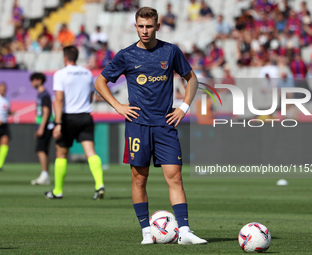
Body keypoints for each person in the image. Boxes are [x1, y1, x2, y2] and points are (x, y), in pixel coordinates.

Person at [95, 7, 207, 245]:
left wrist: (183, 107)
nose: (145, 31)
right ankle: (146, 231)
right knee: (139, 179)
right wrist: (118, 106)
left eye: (149, 26)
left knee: (175, 177)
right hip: (137, 125)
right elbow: (100, 82)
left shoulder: (171, 51)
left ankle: (185, 231)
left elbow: (192, 79)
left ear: (157, 26)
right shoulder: (126, 55)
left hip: (165, 124)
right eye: (141, 26)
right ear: (136, 27)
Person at [44, 46, 105, 200]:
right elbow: (91, 96)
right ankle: (99, 185)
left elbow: (58, 100)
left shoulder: (60, 74)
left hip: (67, 118)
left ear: (65, 57)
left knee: (61, 154)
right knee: (90, 152)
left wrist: (57, 123)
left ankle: (58, 190)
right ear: (76, 57)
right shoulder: (87, 73)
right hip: (85, 116)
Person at [30, 73, 54, 185]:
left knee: (40, 150)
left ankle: (45, 175)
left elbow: (46, 112)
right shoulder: (40, 94)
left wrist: (41, 128)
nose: (31, 83)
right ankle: (45, 175)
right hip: (44, 125)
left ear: (39, 80)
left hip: (46, 125)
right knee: (43, 150)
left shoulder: (44, 95)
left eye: (33, 80)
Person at [0, 83, 12, 170]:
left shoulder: (7, 100)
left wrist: (11, 112)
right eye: (1, 88)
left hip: (4, 124)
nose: (3, 90)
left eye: (4, 89)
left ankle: (0, 164)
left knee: (5, 142)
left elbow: (6, 112)